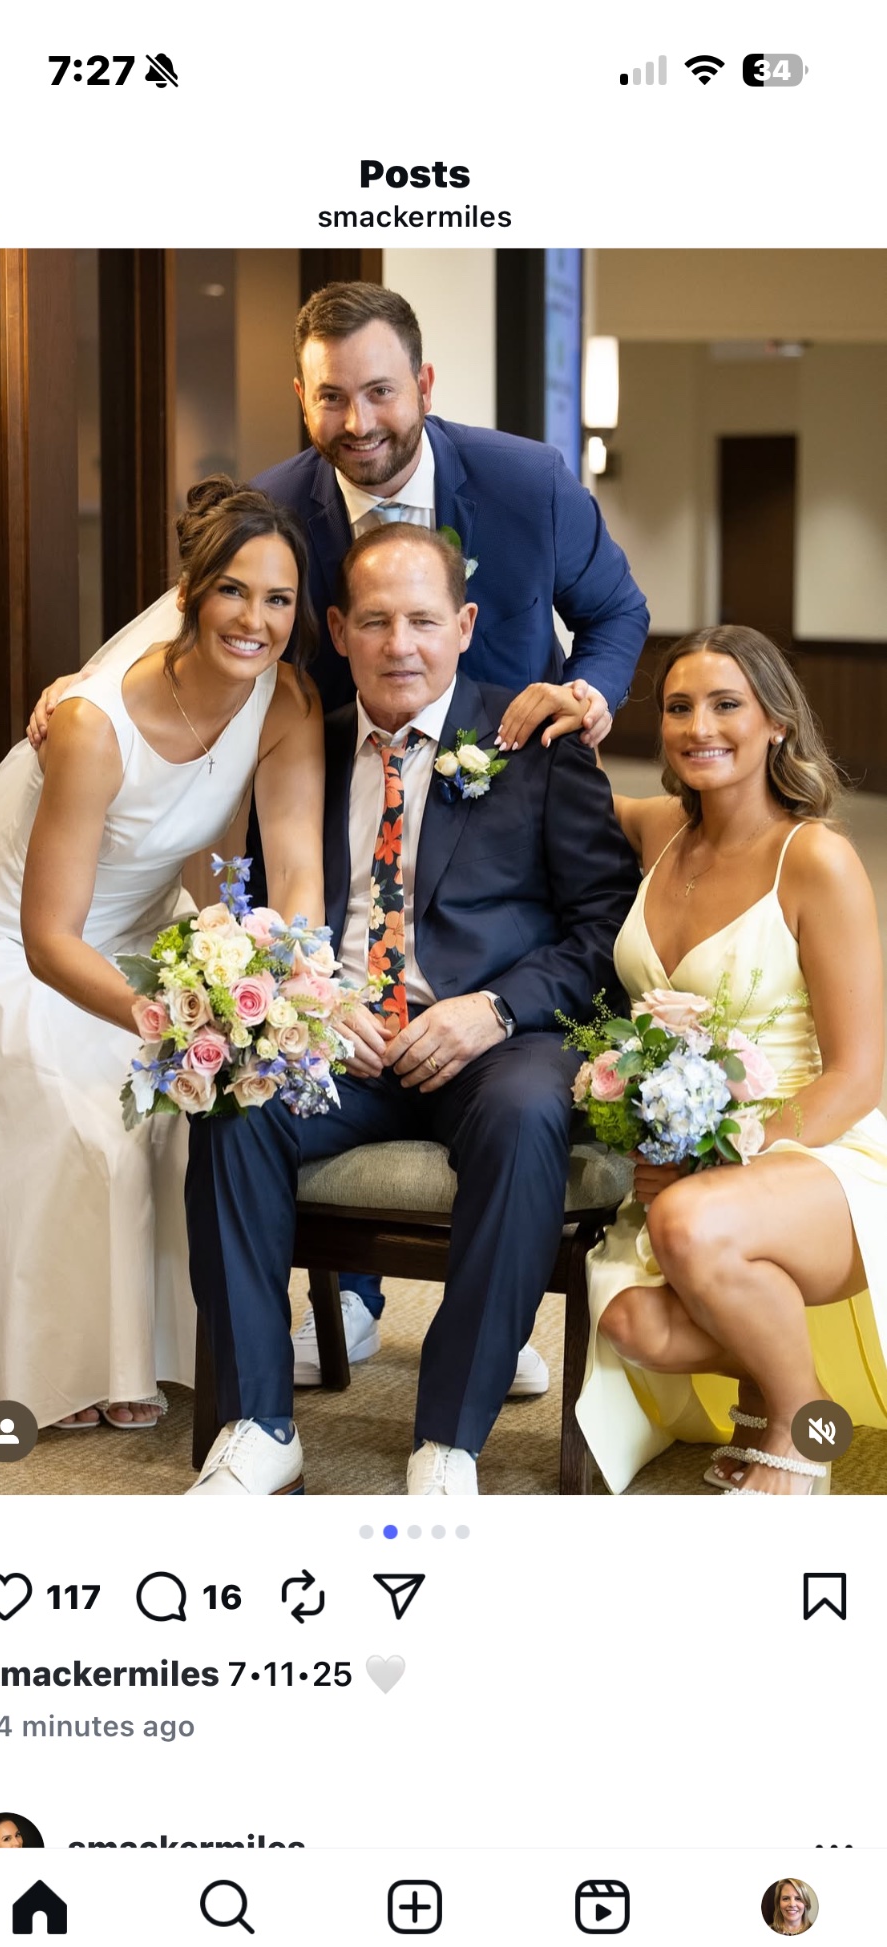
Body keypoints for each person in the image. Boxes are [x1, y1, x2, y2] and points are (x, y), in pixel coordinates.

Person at [27, 278, 649, 1393]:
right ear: (301, 398)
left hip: (500, 789)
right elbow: (202, 619)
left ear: (423, 383)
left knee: (508, 1089)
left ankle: (484, 1320)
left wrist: (585, 702)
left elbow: (616, 613)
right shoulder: (275, 505)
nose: (358, 421)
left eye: (379, 392)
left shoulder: (525, 481)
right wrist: (86, 683)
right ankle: (339, 1312)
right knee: (273, 1073)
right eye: (330, 398)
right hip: (338, 799)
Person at [184, 523, 640, 1497]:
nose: (401, 645)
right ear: (338, 628)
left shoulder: (535, 743)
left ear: (464, 624)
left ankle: (449, 1438)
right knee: (231, 1099)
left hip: (493, 1044)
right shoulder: (299, 746)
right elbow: (260, 906)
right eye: (376, 621)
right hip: (341, 1046)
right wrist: (312, 1001)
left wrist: (495, 1009)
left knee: (527, 1111)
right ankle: (258, 1422)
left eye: (424, 621)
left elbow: (606, 927)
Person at [0, 479, 324, 1435]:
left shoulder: (286, 701)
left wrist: (280, 980)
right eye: (233, 591)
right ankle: (69, 1361)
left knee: (205, 1111)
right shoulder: (91, 724)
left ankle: (169, 1347)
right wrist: (166, 1019)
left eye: (278, 599)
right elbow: (48, 937)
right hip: (7, 938)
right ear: (189, 594)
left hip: (149, 930)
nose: (256, 621)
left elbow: (294, 871)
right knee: (98, 1115)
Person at [525, 625, 887, 1495]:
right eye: (679, 707)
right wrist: (566, 705)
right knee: (631, 1325)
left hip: (815, 1149)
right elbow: (559, 789)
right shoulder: (658, 833)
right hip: (684, 1166)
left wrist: (729, 1155)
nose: (699, 728)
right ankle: (773, 1380)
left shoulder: (816, 859)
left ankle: (803, 1433)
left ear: (775, 722)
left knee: (687, 1224)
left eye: (726, 705)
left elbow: (858, 1073)